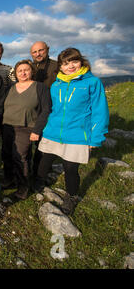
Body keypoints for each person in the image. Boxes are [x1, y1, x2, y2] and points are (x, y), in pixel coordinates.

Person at [34, 48, 109, 216]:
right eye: (66, 63)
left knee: (70, 167)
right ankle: (39, 182)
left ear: (81, 62)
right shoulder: (56, 85)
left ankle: (72, 196)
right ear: (60, 66)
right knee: (44, 160)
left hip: (77, 133)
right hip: (53, 131)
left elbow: (100, 111)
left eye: (74, 61)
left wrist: (95, 138)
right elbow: (51, 109)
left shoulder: (92, 82)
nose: (70, 66)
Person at [1, 60, 52, 200]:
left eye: (26, 70)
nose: (23, 73)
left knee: (20, 157)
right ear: (16, 74)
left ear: (31, 72)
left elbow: (46, 110)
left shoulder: (40, 87)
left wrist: (37, 130)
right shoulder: (10, 88)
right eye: (20, 71)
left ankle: (23, 187)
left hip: (26, 127)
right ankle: (9, 179)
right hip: (7, 126)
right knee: (6, 155)